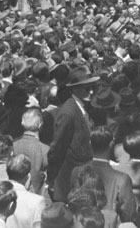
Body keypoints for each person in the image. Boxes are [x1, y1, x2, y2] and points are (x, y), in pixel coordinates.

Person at [49, 66, 99, 202]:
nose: (91, 91)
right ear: (74, 89)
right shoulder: (68, 112)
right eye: (86, 88)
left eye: (92, 87)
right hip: (69, 175)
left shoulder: (82, 107)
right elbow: (57, 148)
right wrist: (52, 177)